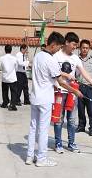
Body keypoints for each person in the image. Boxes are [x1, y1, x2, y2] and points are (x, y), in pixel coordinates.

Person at [26, 32, 82, 167]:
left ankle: (29, 156)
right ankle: (41, 159)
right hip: (45, 99)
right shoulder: (50, 59)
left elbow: (53, 75)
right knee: (43, 130)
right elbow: (60, 82)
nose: (58, 50)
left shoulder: (38, 56)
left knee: (33, 127)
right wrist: (75, 91)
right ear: (53, 45)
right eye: (59, 47)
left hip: (34, 97)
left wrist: (66, 76)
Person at [53, 32, 92, 154]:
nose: (75, 47)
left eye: (76, 45)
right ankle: (58, 143)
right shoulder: (56, 56)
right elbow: (53, 72)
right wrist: (66, 75)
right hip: (59, 92)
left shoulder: (75, 58)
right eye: (74, 44)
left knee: (72, 120)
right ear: (67, 43)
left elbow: (84, 72)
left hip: (72, 93)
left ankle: (71, 143)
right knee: (59, 119)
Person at [76, 39, 92, 136]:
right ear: (80, 48)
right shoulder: (76, 59)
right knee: (80, 108)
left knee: (91, 109)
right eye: (83, 48)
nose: (85, 50)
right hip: (79, 87)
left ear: (89, 49)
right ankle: (81, 126)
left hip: (89, 88)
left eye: (87, 48)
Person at [0, 44, 18, 111]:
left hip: (4, 77)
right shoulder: (14, 58)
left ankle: (5, 103)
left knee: (4, 91)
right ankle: (12, 104)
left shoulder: (1, 58)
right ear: (11, 50)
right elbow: (16, 68)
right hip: (12, 77)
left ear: (5, 50)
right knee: (14, 92)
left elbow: (0, 67)